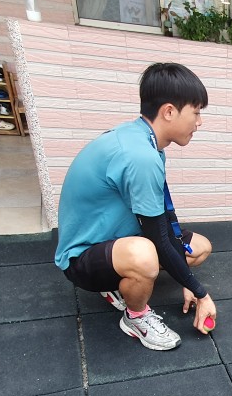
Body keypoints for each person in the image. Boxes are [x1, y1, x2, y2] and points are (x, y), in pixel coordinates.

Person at [54, 62, 216, 350]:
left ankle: (118, 280)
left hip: (115, 237)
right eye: (196, 112)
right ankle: (135, 317)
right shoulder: (140, 156)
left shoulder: (144, 140)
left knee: (199, 248)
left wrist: (188, 281)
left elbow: (164, 220)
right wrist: (201, 294)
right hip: (81, 256)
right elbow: (158, 238)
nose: (199, 122)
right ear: (169, 112)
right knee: (145, 256)